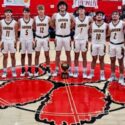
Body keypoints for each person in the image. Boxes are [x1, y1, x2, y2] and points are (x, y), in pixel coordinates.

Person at [52, 1, 74, 77]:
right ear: (58, 7)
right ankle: (57, 69)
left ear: (66, 7)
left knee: (68, 54)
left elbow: (73, 23)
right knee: (57, 54)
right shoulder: (55, 15)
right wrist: (56, 29)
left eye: (63, 5)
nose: (62, 7)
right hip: (58, 37)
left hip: (67, 37)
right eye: (60, 5)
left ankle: (70, 69)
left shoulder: (70, 15)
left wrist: (69, 29)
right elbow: (52, 24)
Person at [87, 11, 108, 80]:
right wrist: (91, 37)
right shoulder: (92, 25)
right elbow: (89, 32)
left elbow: (108, 33)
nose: (99, 16)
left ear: (103, 17)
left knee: (101, 59)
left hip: (102, 44)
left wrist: (104, 37)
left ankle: (102, 74)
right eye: (98, 15)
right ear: (95, 17)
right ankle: (91, 73)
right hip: (94, 43)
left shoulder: (106, 25)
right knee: (94, 59)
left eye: (100, 15)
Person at [73, 5, 92, 78]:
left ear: (84, 10)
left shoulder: (89, 18)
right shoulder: (75, 19)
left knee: (84, 57)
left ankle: (84, 72)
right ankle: (76, 71)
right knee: (76, 56)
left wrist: (90, 34)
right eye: (79, 9)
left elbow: (92, 26)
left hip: (85, 39)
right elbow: (71, 26)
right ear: (77, 11)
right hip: (77, 39)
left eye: (82, 9)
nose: (81, 10)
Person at [34, 5, 51, 77]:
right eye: (39, 10)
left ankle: (48, 68)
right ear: (37, 11)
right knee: (37, 54)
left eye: (42, 10)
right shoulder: (35, 18)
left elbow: (51, 26)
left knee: (47, 54)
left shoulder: (48, 18)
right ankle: (36, 68)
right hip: (38, 38)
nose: (40, 11)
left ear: (44, 10)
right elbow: (34, 27)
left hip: (45, 38)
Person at [0, 9, 18, 78]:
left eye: (9, 13)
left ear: (11, 14)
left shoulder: (15, 23)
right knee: (5, 56)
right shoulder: (1, 22)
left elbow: (16, 34)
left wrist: (15, 42)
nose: (8, 14)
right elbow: (1, 32)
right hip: (4, 41)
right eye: (6, 13)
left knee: (13, 56)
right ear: (4, 14)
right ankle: (4, 71)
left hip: (12, 40)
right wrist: (1, 41)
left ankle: (13, 71)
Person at [108, 11, 125, 84]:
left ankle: (121, 77)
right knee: (112, 61)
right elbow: (108, 34)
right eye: (113, 14)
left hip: (120, 45)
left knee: (120, 62)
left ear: (119, 16)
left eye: (116, 14)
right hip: (111, 44)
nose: (114, 15)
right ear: (111, 16)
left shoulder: (123, 23)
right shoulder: (109, 24)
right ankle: (113, 75)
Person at [18, 7, 34, 77]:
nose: (26, 14)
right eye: (25, 12)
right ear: (23, 13)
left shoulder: (32, 21)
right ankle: (23, 69)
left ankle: (29, 69)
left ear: (29, 13)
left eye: (27, 12)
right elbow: (17, 29)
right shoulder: (20, 20)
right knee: (23, 55)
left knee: (30, 55)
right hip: (22, 39)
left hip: (30, 39)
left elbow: (35, 29)